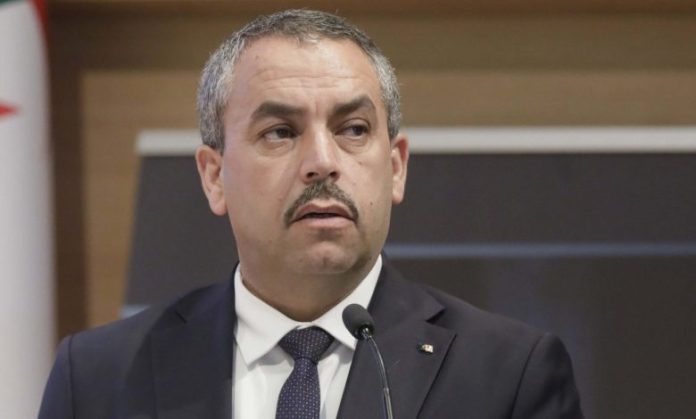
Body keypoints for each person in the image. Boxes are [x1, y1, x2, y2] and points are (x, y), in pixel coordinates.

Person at [39, 9, 583, 419]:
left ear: (396, 168)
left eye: (353, 130)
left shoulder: (509, 375)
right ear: (214, 176)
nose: (323, 161)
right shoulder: (98, 378)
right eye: (280, 132)